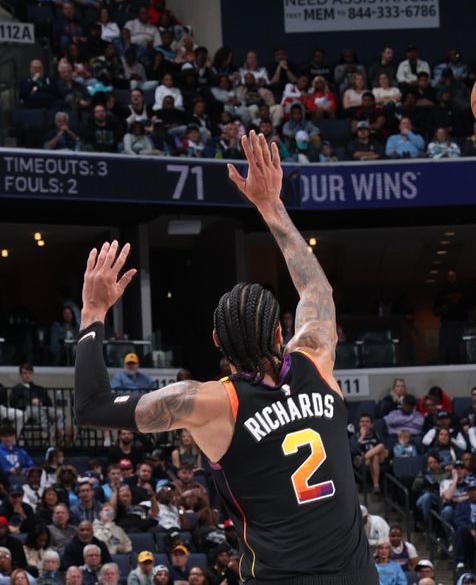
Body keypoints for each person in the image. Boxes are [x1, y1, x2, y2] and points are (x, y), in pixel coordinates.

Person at [73, 131, 377, 583]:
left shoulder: (212, 402)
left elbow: (91, 406)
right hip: (356, 576)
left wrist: (93, 314)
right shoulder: (315, 359)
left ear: (216, 341)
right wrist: (270, 205)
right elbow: (316, 289)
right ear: (281, 332)